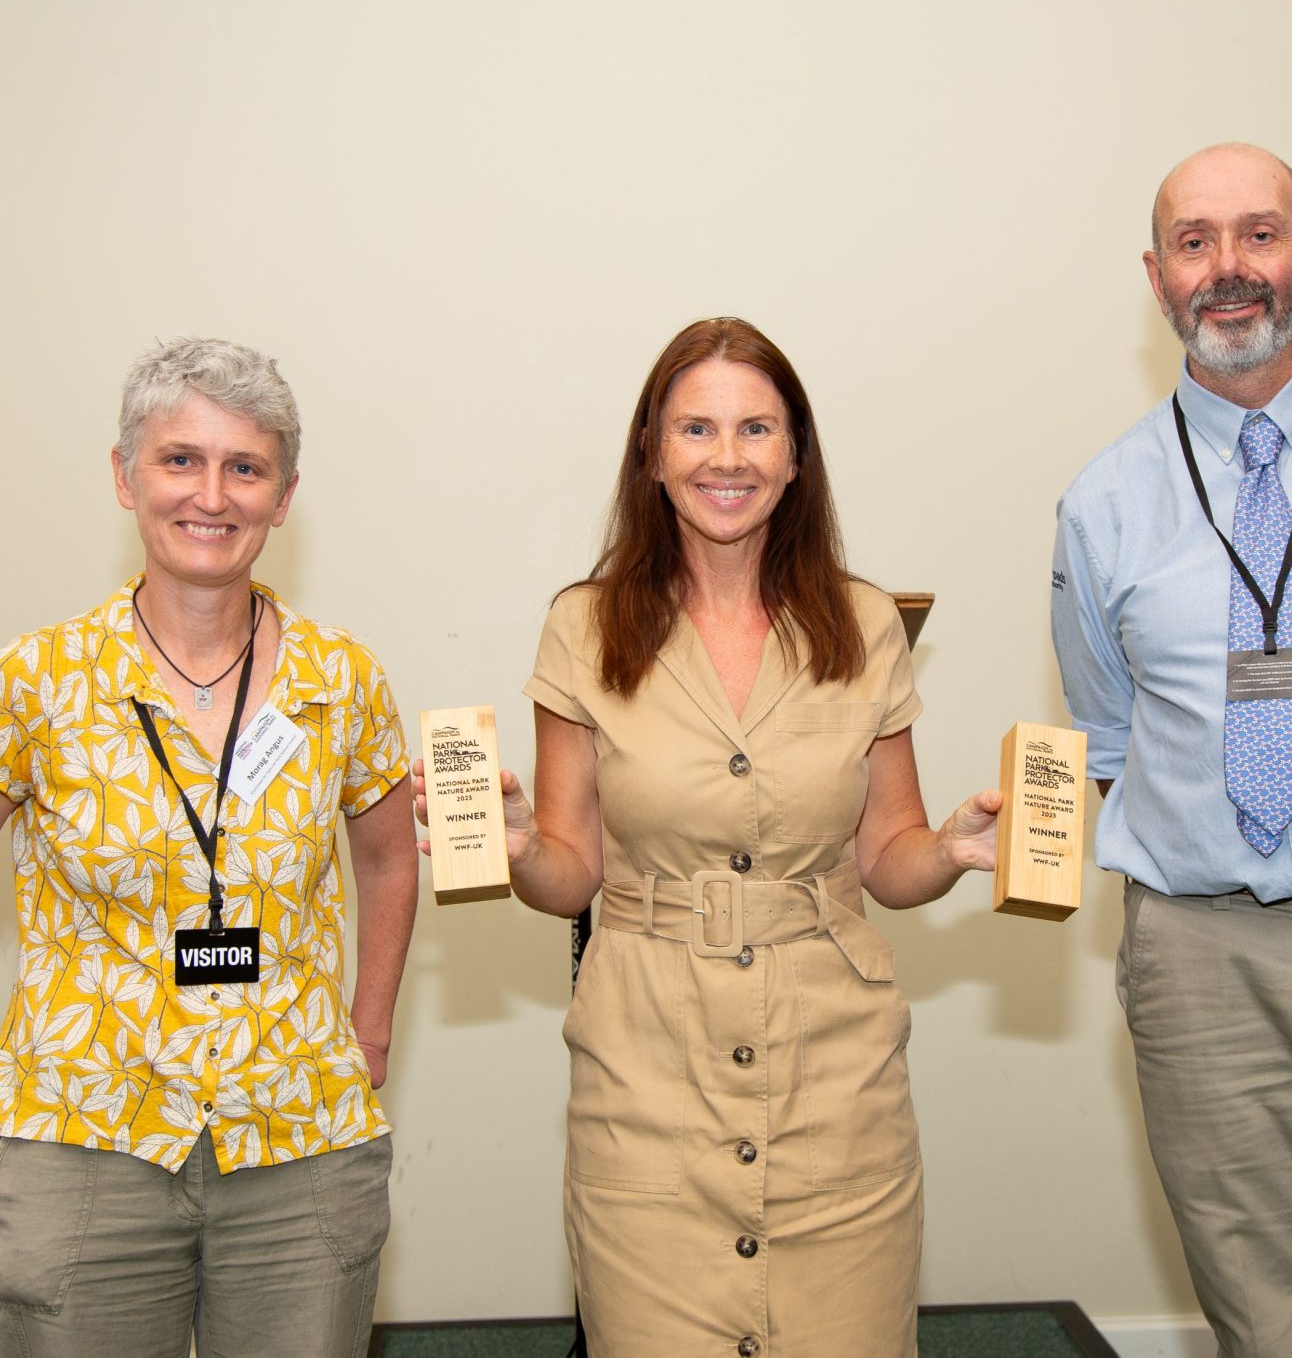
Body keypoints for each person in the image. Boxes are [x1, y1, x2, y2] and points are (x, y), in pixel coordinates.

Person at [419, 318, 999, 1356]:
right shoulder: (584, 624)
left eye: (753, 429)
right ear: (651, 450)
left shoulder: (862, 623)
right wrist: (513, 843)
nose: (725, 457)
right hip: (646, 1068)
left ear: (794, 455)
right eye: (695, 427)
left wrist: (950, 846)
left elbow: (885, 854)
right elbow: (570, 872)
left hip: (837, 1073)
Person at [0, 338, 418, 1358]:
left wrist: (366, 1036)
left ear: (283, 496)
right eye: (179, 458)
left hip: (299, 1133)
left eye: (246, 467)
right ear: (124, 473)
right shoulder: (38, 680)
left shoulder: (341, 679)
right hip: (82, 1132)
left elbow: (386, 857)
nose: (211, 494)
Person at [1051, 143, 1292, 1357]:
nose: (1228, 270)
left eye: (1259, 233)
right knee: (1256, 1296)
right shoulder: (1102, 502)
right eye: (1194, 243)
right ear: (1156, 278)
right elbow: (1105, 733)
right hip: (1197, 951)